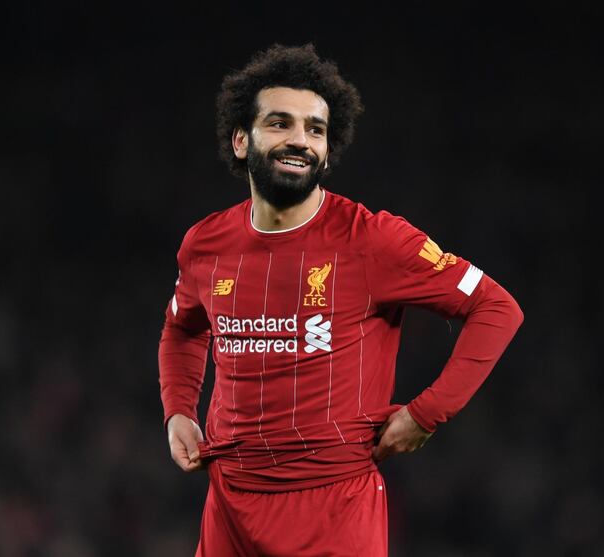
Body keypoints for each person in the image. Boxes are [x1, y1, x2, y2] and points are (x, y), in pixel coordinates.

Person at [158, 43, 523, 556]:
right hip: (230, 508)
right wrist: (179, 410)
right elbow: (183, 328)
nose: (300, 140)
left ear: (328, 151)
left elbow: (496, 308)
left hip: (334, 510)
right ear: (242, 140)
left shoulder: (372, 240)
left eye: (315, 129)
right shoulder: (205, 245)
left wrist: (426, 414)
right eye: (280, 123)